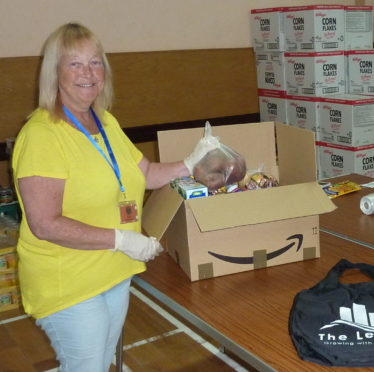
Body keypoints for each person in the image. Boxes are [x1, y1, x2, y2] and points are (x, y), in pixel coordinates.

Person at [11, 23, 228, 372]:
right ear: (54, 73)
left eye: (95, 62)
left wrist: (191, 163)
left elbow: (144, 174)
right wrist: (120, 239)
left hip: (112, 269)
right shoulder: (41, 136)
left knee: (100, 361)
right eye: (75, 64)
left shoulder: (104, 121)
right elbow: (44, 224)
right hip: (68, 278)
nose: (88, 73)